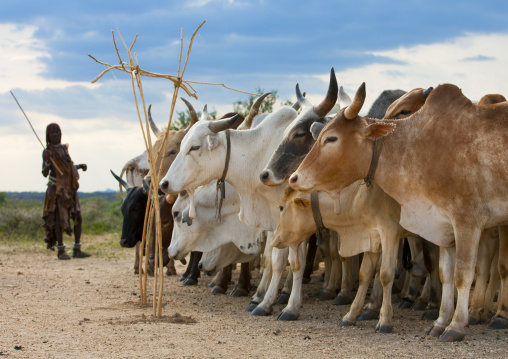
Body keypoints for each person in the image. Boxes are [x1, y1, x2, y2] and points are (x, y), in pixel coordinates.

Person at [42, 123, 91, 260]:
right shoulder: (47, 152)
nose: (56, 135)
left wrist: (79, 166)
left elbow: (67, 167)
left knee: (78, 217)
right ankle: (61, 250)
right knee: (58, 220)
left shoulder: (64, 149)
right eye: (53, 133)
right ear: (48, 136)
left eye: (58, 132)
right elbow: (44, 173)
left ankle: (77, 248)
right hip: (56, 189)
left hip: (70, 187)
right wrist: (46, 163)